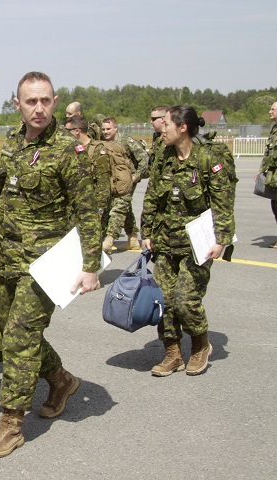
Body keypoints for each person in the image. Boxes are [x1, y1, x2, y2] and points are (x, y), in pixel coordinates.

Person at [0, 71, 102, 458]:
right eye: (30, 101)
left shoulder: (69, 149)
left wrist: (91, 265)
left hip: (46, 263)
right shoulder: (14, 141)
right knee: (12, 334)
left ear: (55, 101)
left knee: (18, 336)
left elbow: (89, 210)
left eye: (45, 100)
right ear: (17, 103)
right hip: (5, 255)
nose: (39, 108)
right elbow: (5, 193)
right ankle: (61, 380)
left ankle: (11, 424)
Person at [141, 105, 236, 377]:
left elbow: (223, 203)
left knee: (185, 300)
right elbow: (151, 196)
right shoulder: (163, 155)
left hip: (197, 245)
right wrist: (146, 231)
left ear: (183, 127)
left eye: (167, 124)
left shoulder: (207, 158)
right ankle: (172, 353)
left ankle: (200, 345)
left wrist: (222, 239)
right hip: (164, 240)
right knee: (164, 303)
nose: (162, 128)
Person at [101, 116, 150, 251]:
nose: (106, 132)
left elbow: (144, 158)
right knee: (125, 207)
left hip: (127, 181)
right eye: (104, 129)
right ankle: (133, 238)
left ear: (115, 128)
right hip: (113, 181)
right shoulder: (103, 143)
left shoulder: (126, 141)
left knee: (119, 207)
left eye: (108, 129)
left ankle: (109, 240)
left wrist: (136, 176)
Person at [64, 114, 113, 241]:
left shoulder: (98, 150)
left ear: (77, 131)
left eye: (67, 131)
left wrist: (100, 210)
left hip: (91, 208)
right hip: (73, 208)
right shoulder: (71, 149)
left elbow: (104, 183)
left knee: (92, 246)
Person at [259, 102, 277, 247]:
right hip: (273, 175)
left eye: (273, 109)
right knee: (275, 205)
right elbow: (268, 152)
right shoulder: (274, 129)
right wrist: (261, 170)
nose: (270, 111)